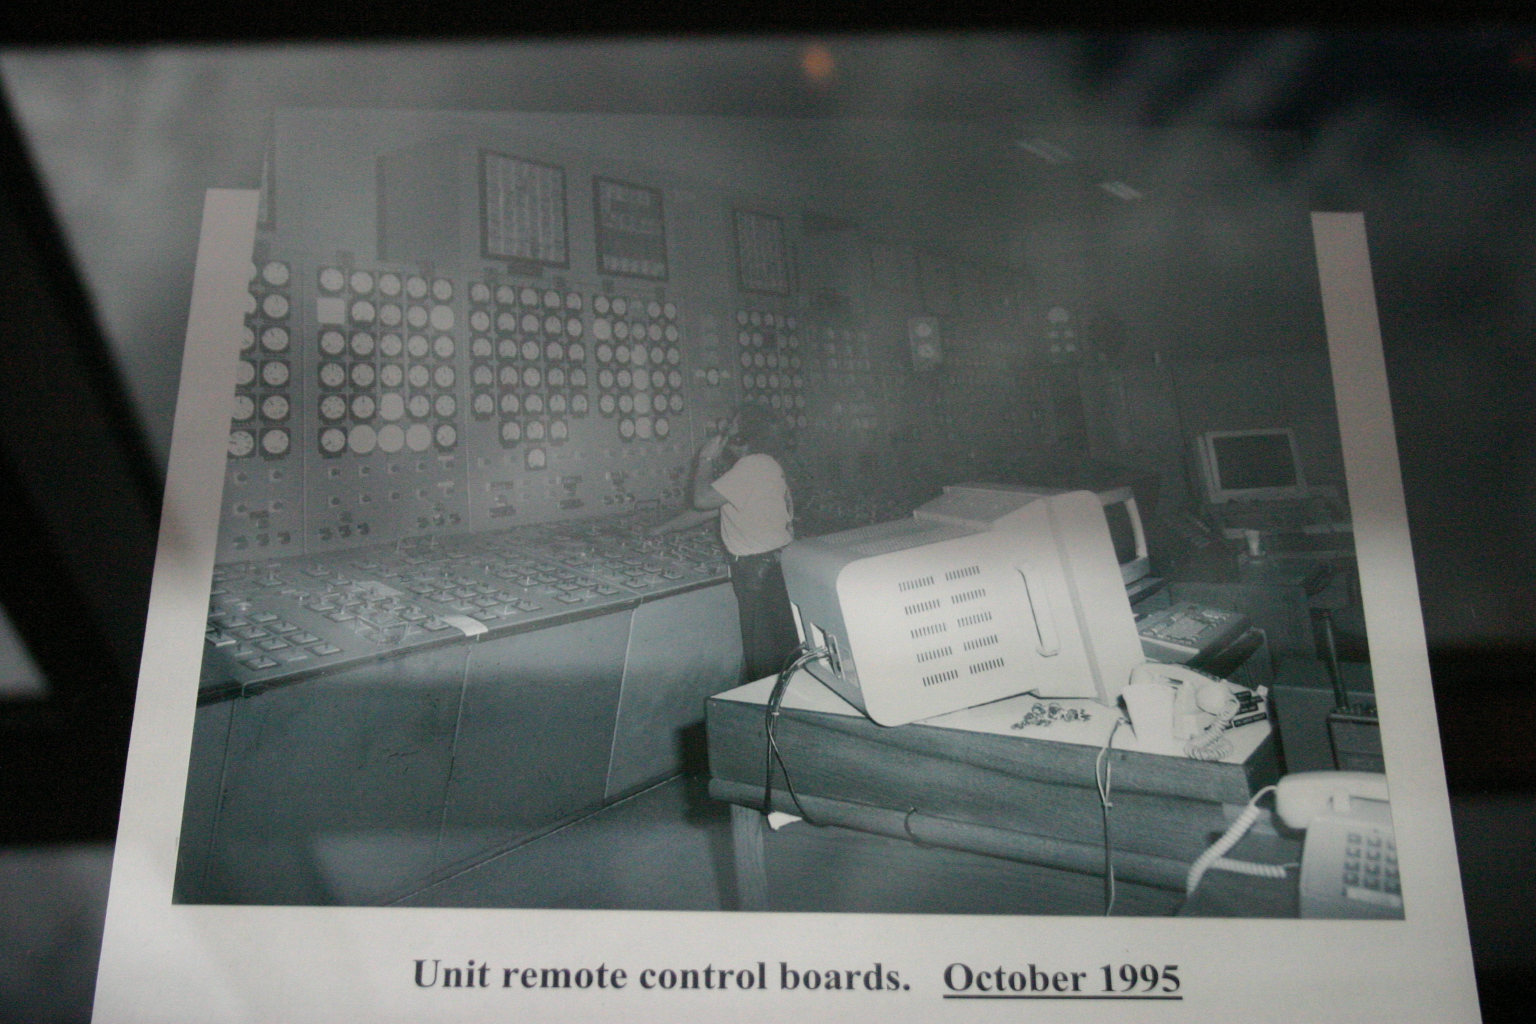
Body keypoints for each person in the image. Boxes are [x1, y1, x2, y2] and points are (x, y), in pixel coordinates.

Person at [654, 406, 799, 682]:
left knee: (765, 660)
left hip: (759, 571)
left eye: (733, 424)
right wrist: (662, 529)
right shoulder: (763, 464)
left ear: (747, 432)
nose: (726, 428)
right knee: (773, 653)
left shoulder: (752, 466)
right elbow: (710, 509)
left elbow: (701, 499)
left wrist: (706, 458)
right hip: (771, 566)